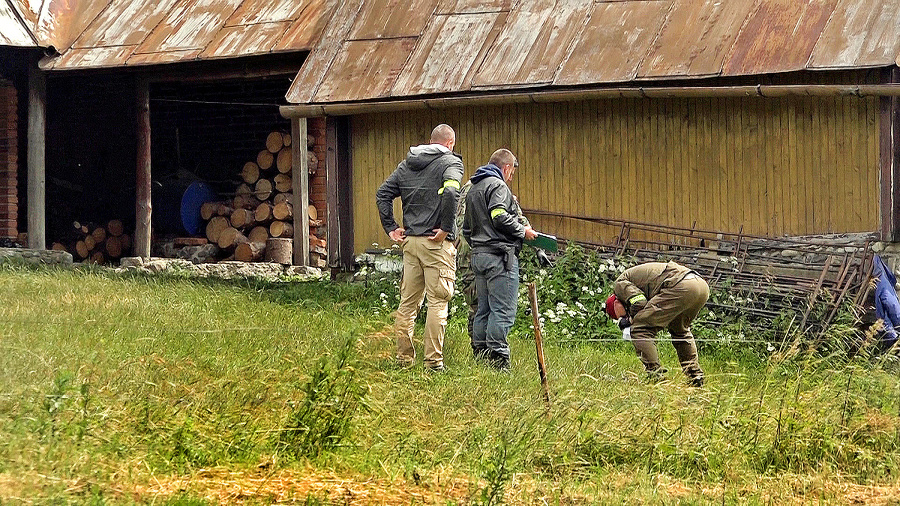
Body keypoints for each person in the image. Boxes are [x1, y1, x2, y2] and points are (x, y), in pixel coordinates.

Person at [375, 124, 464, 372]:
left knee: (408, 303)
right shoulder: (451, 163)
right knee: (438, 302)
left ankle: (404, 359)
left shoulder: (407, 165)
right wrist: (446, 227)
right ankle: (433, 363)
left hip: (411, 243)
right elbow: (451, 194)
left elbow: (383, 193)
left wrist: (391, 227)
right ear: (450, 143)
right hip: (436, 243)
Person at [462, 148, 538, 370]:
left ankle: (481, 356)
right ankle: (499, 362)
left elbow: (466, 229)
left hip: (478, 257)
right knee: (502, 311)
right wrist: (522, 231)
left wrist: (478, 245)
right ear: (506, 168)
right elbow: (499, 215)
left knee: (483, 309)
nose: (511, 177)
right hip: (499, 258)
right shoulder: (498, 186)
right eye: (512, 173)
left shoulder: (474, 187)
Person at [454, 180, 531, 351]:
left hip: (471, 254)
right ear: (506, 168)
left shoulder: (468, 189)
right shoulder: (497, 187)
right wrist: (530, 237)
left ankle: (479, 352)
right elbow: (515, 217)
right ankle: (495, 354)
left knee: (479, 308)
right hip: (491, 253)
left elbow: (461, 225)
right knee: (498, 308)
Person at [604, 261, 708, 386]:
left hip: (680, 286)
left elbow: (639, 303)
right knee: (680, 331)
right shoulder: (630, 280)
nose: (623, 318)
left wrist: (629, 320)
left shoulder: (620, 285)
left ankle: (656, 377)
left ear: (615, 303)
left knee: (640, 329)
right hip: (700, 286)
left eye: (619, 317)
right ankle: (695, 378)